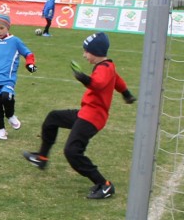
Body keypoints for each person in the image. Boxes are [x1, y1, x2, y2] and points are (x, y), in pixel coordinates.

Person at [22, 32, 136, 199]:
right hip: (86, 112)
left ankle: (104, 185)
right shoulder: (107, 66)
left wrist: (84, 78)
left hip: (93, 117)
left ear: (95, 51)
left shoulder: (104, 69)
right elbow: (117, 80)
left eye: (86, 51)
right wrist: (126, 93)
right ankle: (42, 157)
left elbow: (98, 84)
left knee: (72, 152)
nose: (84, 55)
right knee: (53, 118)